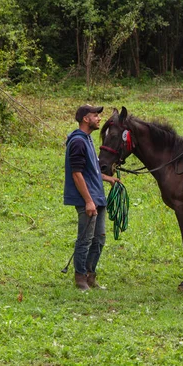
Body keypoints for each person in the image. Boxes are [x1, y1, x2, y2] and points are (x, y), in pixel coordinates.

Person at [64, 104, 118, 290]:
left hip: (97, 197)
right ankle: (80, 279)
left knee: (99, 238)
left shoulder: (87, 140)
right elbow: (76, 174)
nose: (98, 118)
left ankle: (90, 275)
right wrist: (88, 201)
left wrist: (107, 178)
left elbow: (90, 170)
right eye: (95, 115)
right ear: (86, 119)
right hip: (88, 199)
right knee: (85, 239)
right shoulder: (78, 142)